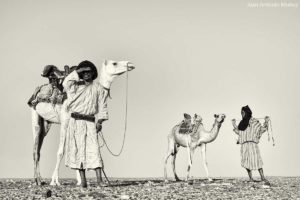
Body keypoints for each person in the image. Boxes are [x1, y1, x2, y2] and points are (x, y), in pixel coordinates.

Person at [63, 60, 109, 188]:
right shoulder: (74, 87)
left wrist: (100, 122)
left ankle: (99, 180)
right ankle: (83, 181)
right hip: (75, 122)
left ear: (93, 73)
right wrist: (78, 70)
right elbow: (65, 83)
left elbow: (102, 105)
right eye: (84, 72)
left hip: (90, 122)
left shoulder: (98, 88)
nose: (87, 74)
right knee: (78, 151)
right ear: (81, 74)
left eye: (89, 71)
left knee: (94, 150)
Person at [232, 105, 270, 185]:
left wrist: (266, 122)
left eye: (243, 112)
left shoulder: (254, 122)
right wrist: (234, 124)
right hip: (244, 145)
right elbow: (239, 132)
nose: (242, 114)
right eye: (241, 113)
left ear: (247, 112)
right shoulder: (241, 123)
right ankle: (251, 178)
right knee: (246, 162)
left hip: (253, 145)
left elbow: (261, 130)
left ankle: (263, 177)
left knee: (257, 161)